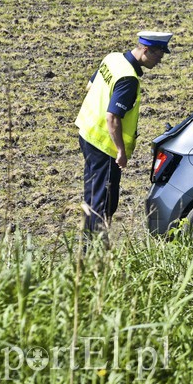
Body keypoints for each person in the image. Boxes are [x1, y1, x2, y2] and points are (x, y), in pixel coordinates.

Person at [75, 31, 172, 241]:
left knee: (92, 195)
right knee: (104, 201)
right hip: (105, 146)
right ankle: (95, 252)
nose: (159, 61)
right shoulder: (128, 78)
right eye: (158, 56)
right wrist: (120, 151)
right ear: (146, 50)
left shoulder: (112, 58)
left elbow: (90, 86)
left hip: (87, 134)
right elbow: (113, 117)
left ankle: (86, 247)